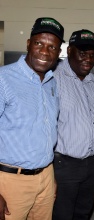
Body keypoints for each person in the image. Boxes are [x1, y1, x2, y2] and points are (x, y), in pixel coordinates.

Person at [0, 17, 64, 220]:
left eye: (52, 47)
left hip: (45, 177)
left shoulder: (52, 83)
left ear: (59, 52)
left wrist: (47, 176)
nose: (45, 52)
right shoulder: (4, 79)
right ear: (28, 43)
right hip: (10, 181)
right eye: (39, 43)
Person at [52, 29, 94, 220]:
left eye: (92, 55)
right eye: (82, 53)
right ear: (69, 51)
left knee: (83, 213)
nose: (88, 59)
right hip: (62, 164)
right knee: (62, 214)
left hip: (91, 163)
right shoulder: (53, 79)